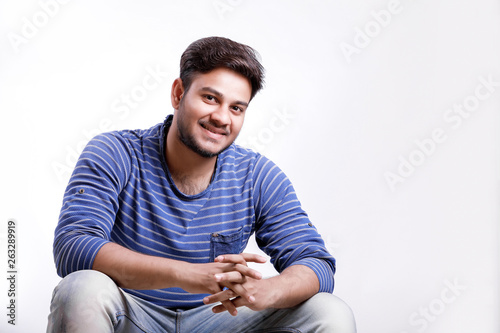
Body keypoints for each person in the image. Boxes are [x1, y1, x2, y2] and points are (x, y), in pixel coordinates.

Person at [47, 36, 356, 332]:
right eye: (210, 98)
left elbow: (316, 263)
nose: (222, 118)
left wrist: (267, 291)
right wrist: (183, 274)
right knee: (80, 288)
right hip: (131, 313)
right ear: (178, 94)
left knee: (329, 312)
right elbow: (74, 246)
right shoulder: (115, 153)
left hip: (220, 318)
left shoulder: (259, 176)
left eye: (236, 108)